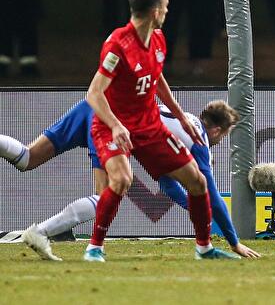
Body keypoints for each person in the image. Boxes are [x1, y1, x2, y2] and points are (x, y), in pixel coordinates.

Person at [83, 0, 235, 262]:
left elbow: (156, 78)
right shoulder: (118, 45)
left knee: (197, 181)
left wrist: (180, 116)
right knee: (121, 180)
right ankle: (94, 248)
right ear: (154, 11)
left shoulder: (158, 39)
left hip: (149, 126)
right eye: (165, 6)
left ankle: (204, 248)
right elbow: (94, 93)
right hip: (112, 125)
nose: (167, 11)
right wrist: (115, 125)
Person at [0, 99, 259, 260]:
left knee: (27, 158)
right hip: (111, 121)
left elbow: (169, 186)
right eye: (224, 136)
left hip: (92, 106)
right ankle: (39, 234)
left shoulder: (180, 120)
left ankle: (41, 234)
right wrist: (233, 241)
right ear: (217, 130)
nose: (220, 141)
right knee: (107, 195)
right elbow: (211, 196)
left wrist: (195, 209)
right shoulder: (198, 141)